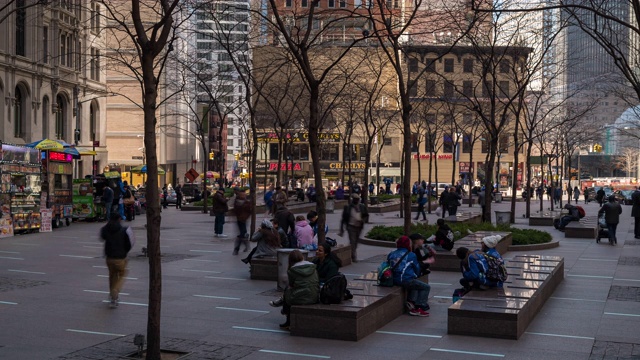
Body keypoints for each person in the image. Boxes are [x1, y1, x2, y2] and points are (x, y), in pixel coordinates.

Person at [269, 250, 319, 329]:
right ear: (302, 257)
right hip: (314, 296)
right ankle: (282, 305)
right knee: (289, 293)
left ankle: (286, 315)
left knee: (288, 292)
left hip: (301, 297)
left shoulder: (293, 270)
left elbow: (291, 285)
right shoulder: (313, 267)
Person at [388, 236, 431, 317]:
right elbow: (417, 269)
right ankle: (419, 308)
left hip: (393, 279)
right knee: (426, 287)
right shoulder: (411, 255)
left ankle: (411, 302)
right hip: (404, 280)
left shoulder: (392, 253)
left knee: (415, 284)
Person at [100, 213, 135, 308]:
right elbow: (130, 243)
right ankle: (115, 291)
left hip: (109, 258)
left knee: (112, 276)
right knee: (122, 273)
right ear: (120, 219)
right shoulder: (124, 230)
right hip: (120, 258)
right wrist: (125, 252)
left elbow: (102, 237)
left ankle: (113, 298)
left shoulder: (105, 229)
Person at [338, 194, 369, 263]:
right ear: (352, 200)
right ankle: (353, 256)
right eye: (355, 199)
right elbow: (343, 219)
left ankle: (353, 252)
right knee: (352, 241)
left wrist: (363, 220)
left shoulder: (362, 207)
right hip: (350, 226)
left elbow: (366, 215)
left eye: (357, 199)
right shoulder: (348, 207)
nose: (356, 201)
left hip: (359, 227)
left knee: (356, 241)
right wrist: (341, 229)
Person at [232, 188, 251, 255]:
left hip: (244, 220)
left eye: (244, 194)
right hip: (239, 220)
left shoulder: (247, 202)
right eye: (242, 194)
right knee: (243, 234)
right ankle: (244, 246)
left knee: (242, 234)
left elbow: (249, 211)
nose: (243, 195)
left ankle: (238, 248)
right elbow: (235, 210)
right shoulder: (236, 201)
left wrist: (245, 217)